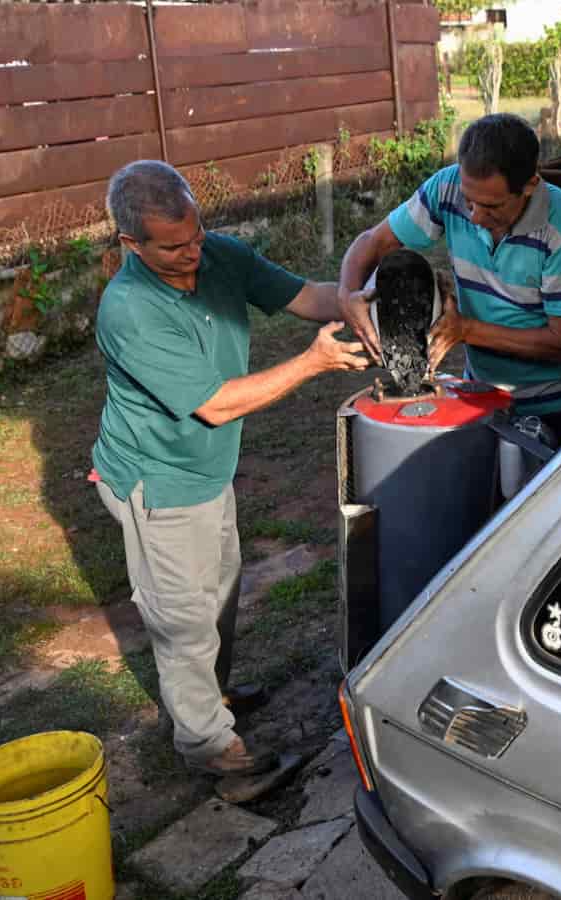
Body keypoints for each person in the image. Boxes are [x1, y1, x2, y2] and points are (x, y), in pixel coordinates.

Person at [91, 160, 371, 779]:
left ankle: (208, 699)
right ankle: (211, 749)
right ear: (131, 243)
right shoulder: (130, 309)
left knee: (218, 590)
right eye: (173, 247)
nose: (193, 252)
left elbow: (307, 296)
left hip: (207, 471)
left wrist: (365, 301)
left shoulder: (216, 253)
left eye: (195, 234)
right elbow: (216, 405)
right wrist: (313, 363)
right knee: (183, 619)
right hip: (158, 480)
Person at [338, 113, 561, 441]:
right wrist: (347, 295)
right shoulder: (447, 188)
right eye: (469, 201)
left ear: (530, 186)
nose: (474, 217)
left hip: (553, 406)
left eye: (492, 207)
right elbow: (373, 242)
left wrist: (467, 330)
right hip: (478, 394)